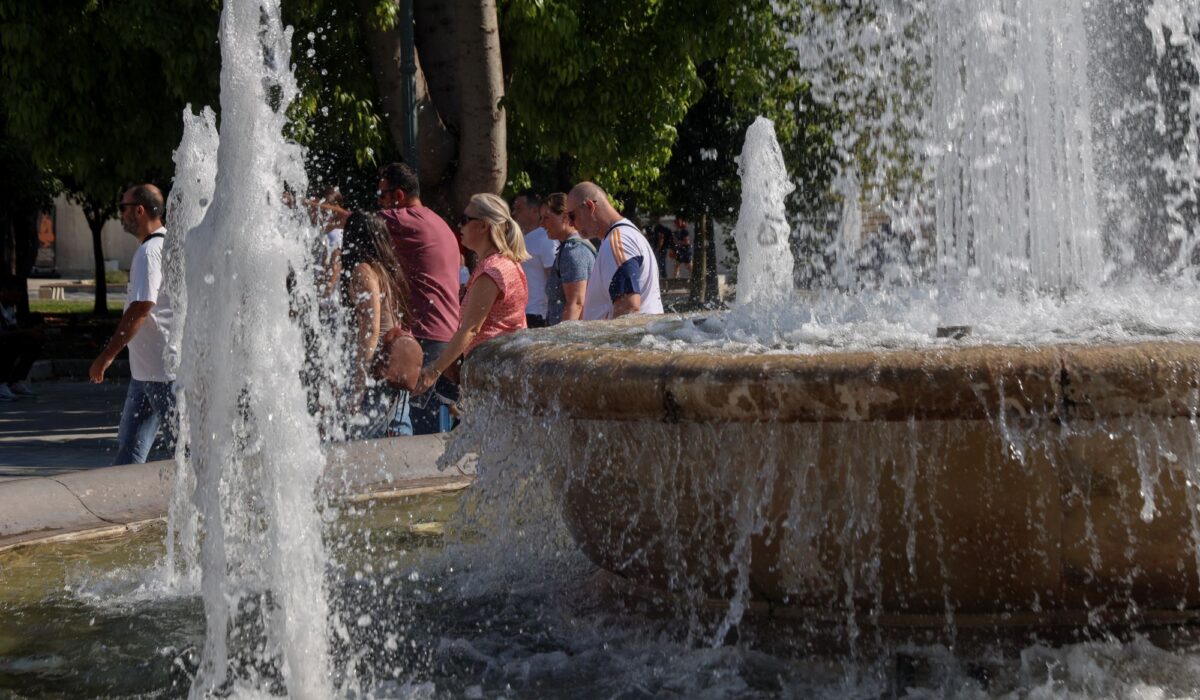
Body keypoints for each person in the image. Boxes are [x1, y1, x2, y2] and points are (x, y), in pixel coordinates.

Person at [90, 184, 176, 465]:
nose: (121, 215)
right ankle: (121, 505)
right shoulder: (164, 246)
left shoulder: (150, 252)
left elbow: (140, 308)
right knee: (129, 454)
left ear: (139, 210)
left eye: (123, 208)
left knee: (187, 455)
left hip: (163, 375)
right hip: (147, 373)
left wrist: (106, 356)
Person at [376, 162, 463, 434]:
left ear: (398, 196)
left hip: (424, 337)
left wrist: (301, 205)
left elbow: (354, 223)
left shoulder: (403, 219)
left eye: (382, 195)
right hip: (446, 335)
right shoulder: (438, 222)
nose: (379, 203)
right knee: (433, 427)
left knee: (409, 426)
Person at [414, 194, 529, 395]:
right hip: (504, 368)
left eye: (465, 220)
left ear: (484, 226)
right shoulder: (506, 263)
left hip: (493, 372)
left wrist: (433, 371)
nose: (460, 225)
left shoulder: (491, 271)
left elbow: (471, 328)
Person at [338, 211, 413, 438]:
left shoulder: (363, 271)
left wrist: (359, 384)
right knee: (398, 440)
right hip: (394, 365)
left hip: (376, 369)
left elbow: (371, 329)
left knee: (364, 444)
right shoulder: (384, 271)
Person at [567, 182, 663, 320]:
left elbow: (628, 308)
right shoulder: (624, 235)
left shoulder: (618, 241)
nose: (570, 223)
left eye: (572, 216)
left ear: (590, 206)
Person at [541, 193, 596, 324]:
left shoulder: (573, 250)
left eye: (546, 218)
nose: (542, 224)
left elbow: (576, 304)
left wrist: (560, 342)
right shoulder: (570, 248)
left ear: (565, 217)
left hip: (573, 339)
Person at [512, 190, 557, 328]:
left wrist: (551, 315)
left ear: (534, 211)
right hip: (520, 314)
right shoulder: (519, 239)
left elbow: (554, 278)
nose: (514, 213)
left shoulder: (546, 239)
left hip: (538, 315)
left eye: (519, 209)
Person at [0, 275, 43, 400]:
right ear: (4, 291)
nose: (19, 297)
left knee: (32, 341)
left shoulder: (8, 307)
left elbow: (14, 327)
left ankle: (15, 381)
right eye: (16, 292)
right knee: (10, 343)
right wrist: (24, 333)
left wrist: (31, 332)